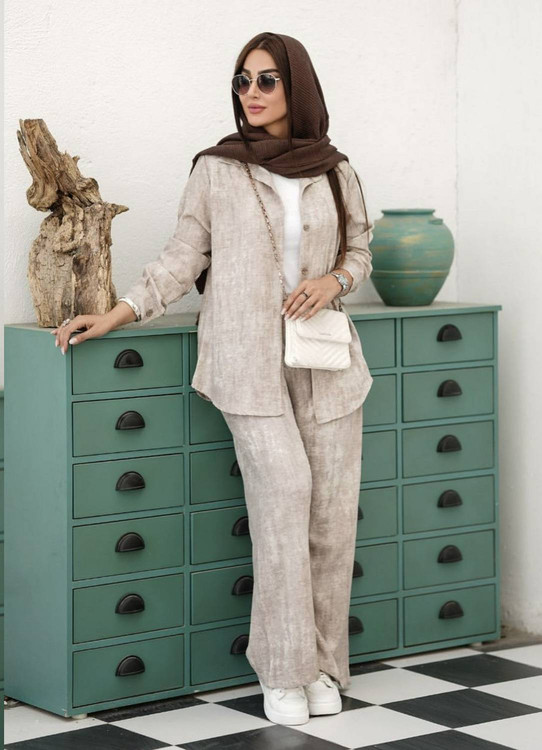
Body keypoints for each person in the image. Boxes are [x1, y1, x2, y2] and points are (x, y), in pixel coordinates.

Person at [52, 32, 374, 727]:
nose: (252, 93)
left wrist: (334, 281)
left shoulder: (336, 170)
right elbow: (182, 256)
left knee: (330, 519)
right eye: (242, 81)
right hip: (244, 360)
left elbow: (360, 250)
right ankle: (283, 670)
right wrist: (117, 313)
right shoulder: (217, 168)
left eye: (267, 80)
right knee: (284, 499)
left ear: (297, 86)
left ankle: (324, 666)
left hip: (326, 364)